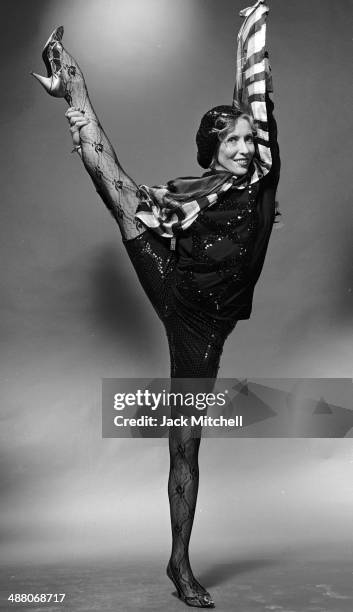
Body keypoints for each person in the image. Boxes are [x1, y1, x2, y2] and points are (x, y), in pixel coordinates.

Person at [32, 4, 280, 607]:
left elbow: (260, 99)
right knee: (120, 196)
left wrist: (253, 26)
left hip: (205, 325)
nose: (245, 148)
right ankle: (74, 90)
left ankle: (176, 562)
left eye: (249, 139)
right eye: (233, 141)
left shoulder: (263, 181)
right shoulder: (187, 198)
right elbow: (146, 207)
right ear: (213, 148)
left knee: (185, 446)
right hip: (176, 292)